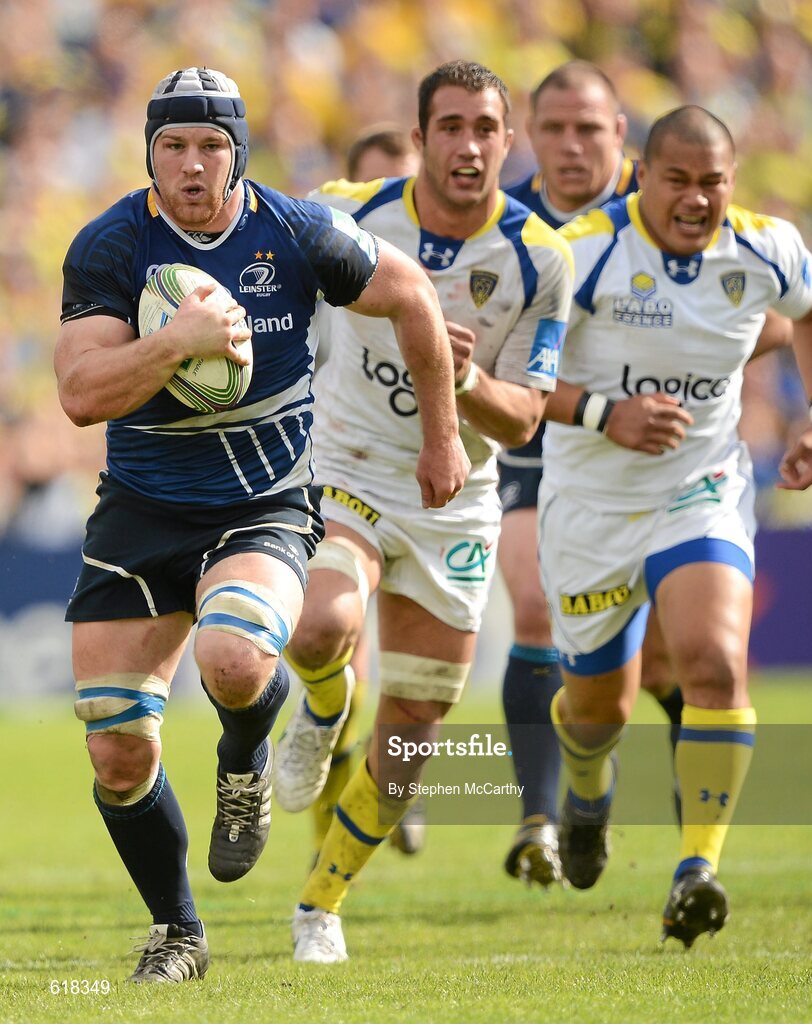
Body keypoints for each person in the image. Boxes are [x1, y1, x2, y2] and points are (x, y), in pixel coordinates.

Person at [55, 66, 468, 984]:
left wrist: (443, 439)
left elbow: (412, 297)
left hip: (262, 504)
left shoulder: (299, 232)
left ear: (238, 152)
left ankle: (245, 753)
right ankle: (178, 933)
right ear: (150, 154)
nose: (193, 167)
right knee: (117, 747)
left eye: (211, 147)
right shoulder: (109, 247)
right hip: (141, 508)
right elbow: (82, 394)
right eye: (173, 147)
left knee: (235, 661)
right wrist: (176, 343)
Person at [272, 59, 573, 963]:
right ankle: (323, 711)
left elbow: (524, 417)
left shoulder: (539, 258)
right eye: (451, 126)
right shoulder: (346, 213)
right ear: (421, 137)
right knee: (320, 627)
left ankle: (320, 906)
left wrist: (462, 375)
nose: (469, 145)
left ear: (506, 142)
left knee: (412, 736)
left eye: (486, 127)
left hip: (457, 500)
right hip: (350, 464)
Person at [539, 105, 812, 947]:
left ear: (732, 183)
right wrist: (606, 413)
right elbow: (508, 380)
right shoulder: (579, 252)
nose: (695, 199)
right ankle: (587, 790)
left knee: (714, 663)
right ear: (642, 173)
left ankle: (696, 869)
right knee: (599, 707)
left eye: (712, 182)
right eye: (677, 180)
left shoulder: (764, 247)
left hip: (699, 487)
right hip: (591, 505)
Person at [499, 61, 792, 887]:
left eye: (587, 128)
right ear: (530, 136)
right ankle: (549, 812)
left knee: (688, 659)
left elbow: (774, 311)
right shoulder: (509, 220)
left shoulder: (673, 201)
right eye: (552, 129)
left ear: (620, 136)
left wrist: (701, 356)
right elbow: (492, 350)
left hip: (670, 457)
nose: (569, 145)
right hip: (535, 444)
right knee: (543, 622)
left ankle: (694, 844)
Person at [308, 125, 423, 862]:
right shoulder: (322, 256)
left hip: (425, 475)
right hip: (335, 458)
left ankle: (390, 782)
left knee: (403, 672)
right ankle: (328, 851)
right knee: (337, 649)